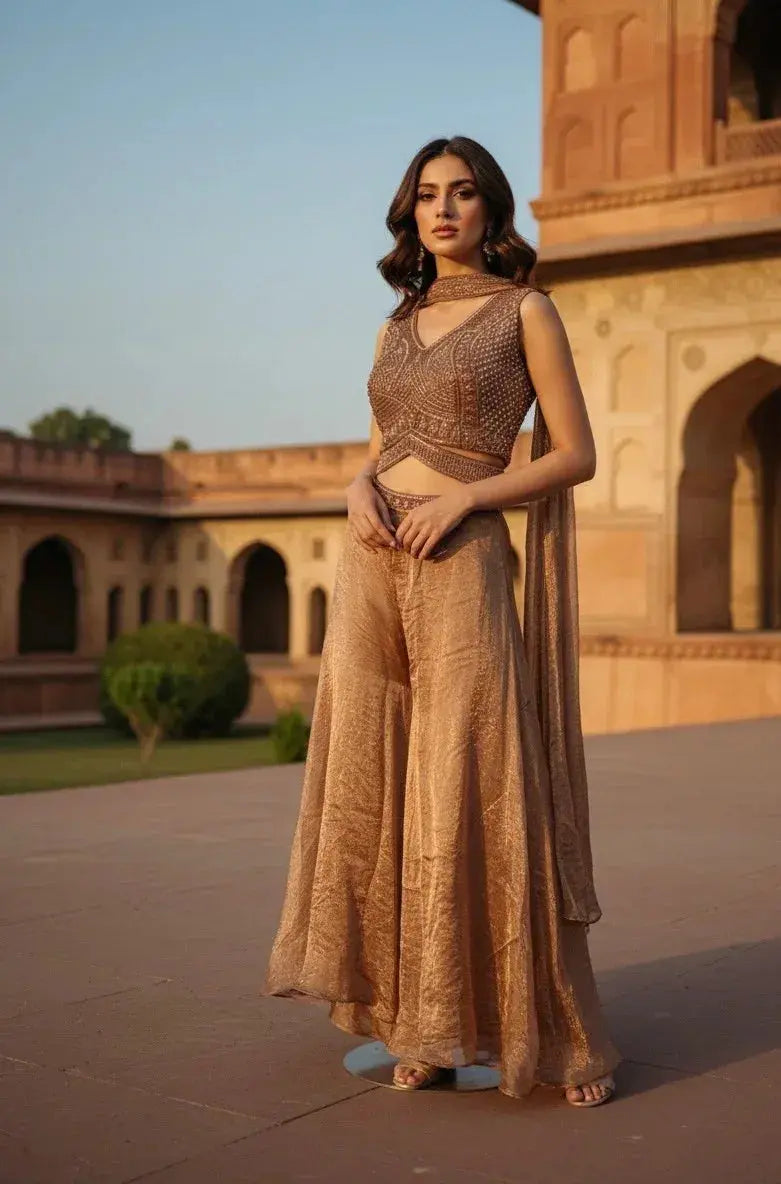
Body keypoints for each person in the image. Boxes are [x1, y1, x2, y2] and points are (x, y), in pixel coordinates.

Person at [262, 135, 622, 1108]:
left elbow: (574, 453)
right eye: (427, 194)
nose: (444, 208)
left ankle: (553, 1032)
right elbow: (378, 445)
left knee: (470, 783)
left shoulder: (524, 310)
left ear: (491, 208)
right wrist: (352, 483)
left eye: (462, 192)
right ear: (409, 213)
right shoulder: (397, 324)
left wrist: (466, 500)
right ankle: (415, 1023)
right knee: (379, 789)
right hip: (372, 567)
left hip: (462, 563)